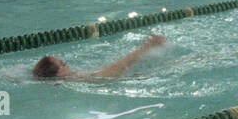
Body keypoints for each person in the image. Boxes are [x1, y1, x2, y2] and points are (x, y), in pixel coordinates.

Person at [33, 34, 166, 82]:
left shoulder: (73, 78)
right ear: (60, 73)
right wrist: (146, 47)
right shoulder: (76, 80)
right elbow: (112, 72)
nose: (67, 64)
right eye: (63, 63)